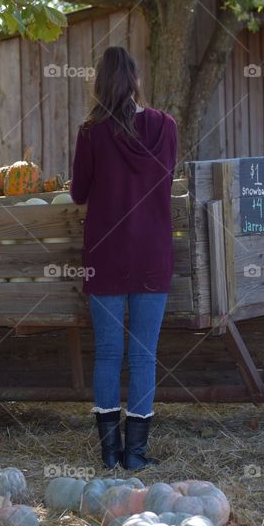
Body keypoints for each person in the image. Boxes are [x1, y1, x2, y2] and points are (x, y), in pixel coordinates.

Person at [69, 46, 178, 471]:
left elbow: (79, 193)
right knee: (143, 355)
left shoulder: (90, 133)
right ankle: (136, 455)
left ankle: (109, 453)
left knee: (108, 354)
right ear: (135, 80)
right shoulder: (165, 127)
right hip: (152, 252)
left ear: (100, 84)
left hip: (106, 255)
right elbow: (166, 182)